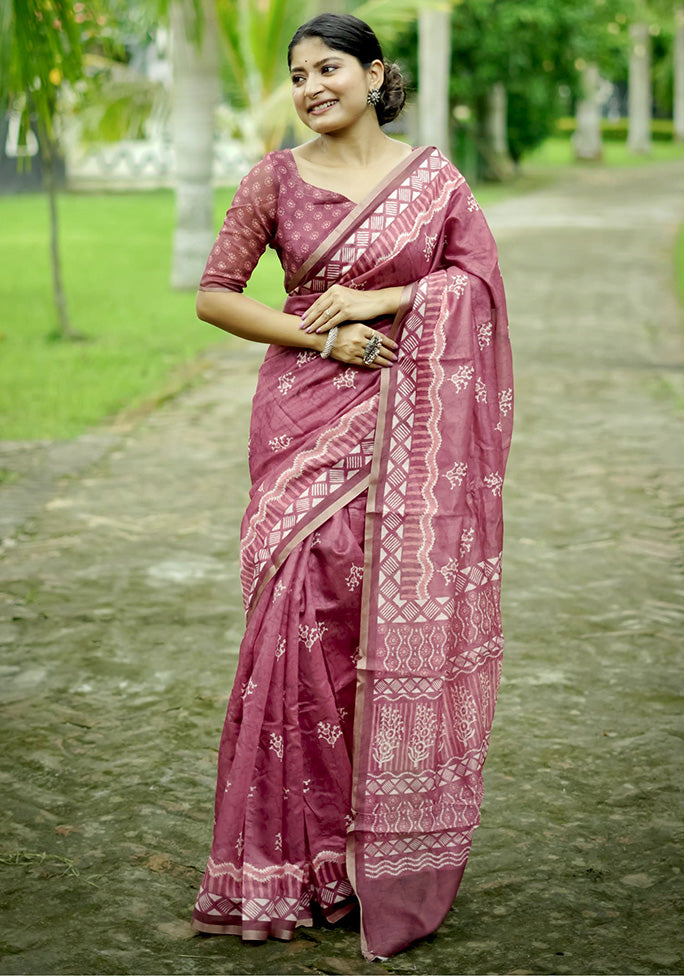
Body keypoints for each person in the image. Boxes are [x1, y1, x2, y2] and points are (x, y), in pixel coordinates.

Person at [190, 12, 513, 962]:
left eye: (328, 67)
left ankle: (361, 853)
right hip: (302, 422)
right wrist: (321, 334)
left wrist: (389, 296)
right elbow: (217, 292)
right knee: (302, 625)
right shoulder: (274, 180)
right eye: (297, 74)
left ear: (375, 73)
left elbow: (478, 283)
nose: (310, 86)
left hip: (409, 430)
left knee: (376, 632)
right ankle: (292, 861)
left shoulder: (434, 179)